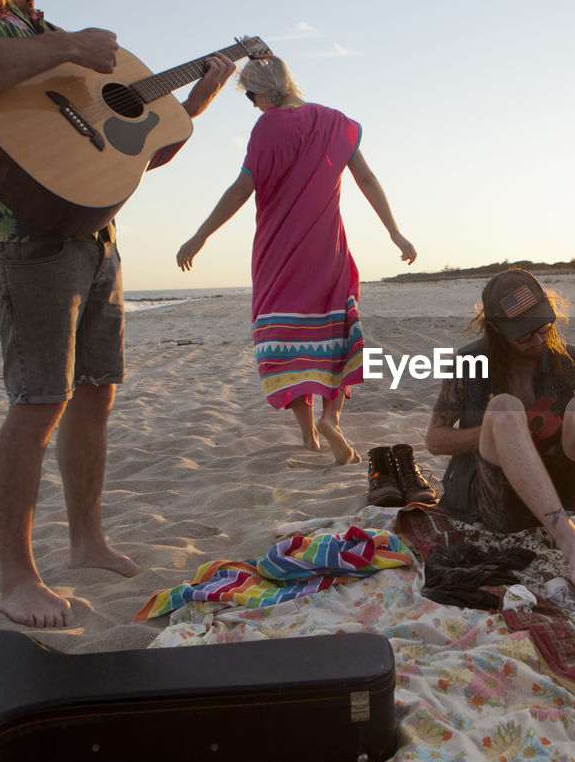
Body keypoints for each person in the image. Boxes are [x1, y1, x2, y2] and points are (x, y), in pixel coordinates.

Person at [0, 0, 235, 627]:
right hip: (23, 233)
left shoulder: (40, 27)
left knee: (94, 394)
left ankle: (86, 540)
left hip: (92, 227)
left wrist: (191, 105)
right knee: (37, 402)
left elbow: (111, 147)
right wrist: (65, 49)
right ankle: (16, 577)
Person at [176, 56, 417, 465]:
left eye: (251, 95)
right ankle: (330, 419)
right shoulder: (334, 121)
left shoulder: (267, 126)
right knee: (335, 336)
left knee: (287, 342)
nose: (253, 104)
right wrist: (395, 232)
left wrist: (200, 235)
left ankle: (310, 437)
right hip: (328, 252)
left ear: (265, 90)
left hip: (278, 254)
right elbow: (367, 179)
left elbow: (242, 188)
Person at [425, 269, 575, 589]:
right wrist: (494, 430)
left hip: (560, 492)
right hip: (498, 501)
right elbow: (435, 439)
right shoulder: (467, 363)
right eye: (524, 335)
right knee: (505, 409)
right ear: (495, 328)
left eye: (542, 327)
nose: (537, 340)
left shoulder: (571, 359)